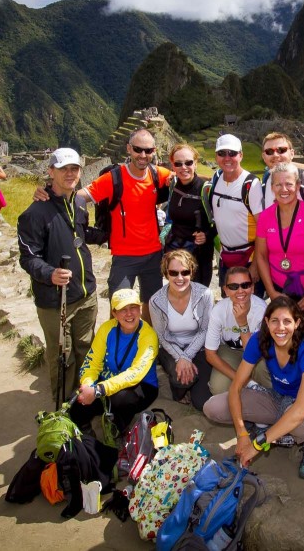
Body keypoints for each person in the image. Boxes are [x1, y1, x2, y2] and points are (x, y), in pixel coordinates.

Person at [203, 296, 304, 480]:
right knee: (213, 407)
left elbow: (301, 410)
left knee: (298, 422)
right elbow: (236, 388)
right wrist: (241, 433)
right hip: (277, 397)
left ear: (297, 323)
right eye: (274, 321)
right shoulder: (259, 340)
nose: (280, 328)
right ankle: (273, 430)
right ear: (266, 323)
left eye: (287, 321)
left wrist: (256, 445)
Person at [17, 148, 98, 399]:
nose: (70, 174)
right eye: (64, 169)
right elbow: (28, 257)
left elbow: (82, 236)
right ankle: (64, 405)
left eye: (74, 169)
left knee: (86, 349)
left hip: (86, 293)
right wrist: (50, 273)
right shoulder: (35, 214)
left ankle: (86, 399)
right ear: (51, 172)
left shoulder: (78, 204)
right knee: (63, 355)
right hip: (56, 300)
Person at [84, 129, 171, 323]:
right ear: (129, 149)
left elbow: (187, 178)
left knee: (152, 304)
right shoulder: (113, 178)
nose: (143, 155)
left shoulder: (158, 175)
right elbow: (82, 196)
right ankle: (115, 345)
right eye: (138, 149)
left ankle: (148, 345)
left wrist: (219, 181)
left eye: (148, 151)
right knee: (119, 306)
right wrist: (50, 195)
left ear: (154, 151)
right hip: (124, 255)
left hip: (153, 253)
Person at [70, 289, 160, 434]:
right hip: (108, 381)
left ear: (140, 309)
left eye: (133, 308)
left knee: (120, 399)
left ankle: (118, 428)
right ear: (114, 313)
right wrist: (88, 385)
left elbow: (135, 373)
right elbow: (92, 362)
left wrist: (98, 390)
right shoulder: (107, 328)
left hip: (141, 385)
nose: (129, 314)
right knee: (75, 402)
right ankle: (85, 431)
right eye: (123, 310)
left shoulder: (149, 336)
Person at [254, 162, 304, 320]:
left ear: (297, 186)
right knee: (284, 336)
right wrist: (271, 292)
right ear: (272, 187)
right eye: (278, 184)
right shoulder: (265, 217)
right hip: (279, 289)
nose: (284, 190)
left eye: (289, 184)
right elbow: (261, 256)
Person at [148, 250, 215, 410]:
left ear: (191, 272)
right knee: (181, 380)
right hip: (171, 349)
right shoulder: (156, 301)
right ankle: (178, 392)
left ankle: (192, 384)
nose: (179, 278)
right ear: (166, 274)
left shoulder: (205, 294)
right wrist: (180, 358)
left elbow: (206, 329)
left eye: (185, 272)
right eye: (173, 273)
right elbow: (162, 336)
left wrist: (187, 356)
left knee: (201, 402)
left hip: (198, 348)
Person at [202, 134, 264, 289]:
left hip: (248, 257)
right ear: (216, 156)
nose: (227, 158)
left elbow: (263, 229)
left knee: (250, 307)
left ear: (241, 155)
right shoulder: (216, 178)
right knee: (228, 304)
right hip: (225, 257)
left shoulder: (251, 185)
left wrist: (256, 265)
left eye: (232, 153)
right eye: (222, 153)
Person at [205, 266, 272, 395]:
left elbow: (253, 352)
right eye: (234, 287)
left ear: (252, 288)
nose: (240, 291)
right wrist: (241, 380)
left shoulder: (261, 310)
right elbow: (210, 355)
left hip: (257, 353)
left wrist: (243, 324)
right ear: (226, 290)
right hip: (229, 351)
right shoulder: (219, 310)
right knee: (218, 389)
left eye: (245, 285)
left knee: (268, 383)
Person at [164, 143, 216, 286]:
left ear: (196, 163)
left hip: (198, 255)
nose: (184, 167)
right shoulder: (173, 184)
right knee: (177, 295)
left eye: (188, 162)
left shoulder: (206, 190)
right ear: (173, 166)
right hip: (175, 253)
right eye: (178, 164)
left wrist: (207, 234)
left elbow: (220, 221)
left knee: (197, 296)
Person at [259, 132, 304, 209]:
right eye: (269, 151)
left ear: (292, 153)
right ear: (264, 156)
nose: (275, 155)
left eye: (281, 150)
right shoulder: (266, 180)